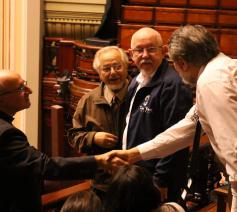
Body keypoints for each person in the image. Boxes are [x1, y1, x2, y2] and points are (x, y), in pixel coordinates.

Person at [109, 24, 237, 212]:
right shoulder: (219, 69)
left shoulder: (211, 82)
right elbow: (187, 127)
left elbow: (233, 150)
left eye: (173, 63)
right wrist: (133, 154)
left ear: (182, 63)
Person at [0, 70, 126, 212]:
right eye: (21, 88)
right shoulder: (6, 134)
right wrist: (98, 161)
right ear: (2, 99)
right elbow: (43, 166)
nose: (30, 90)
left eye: (26, 84)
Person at [122, 27, 193, 202]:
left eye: (151, 49)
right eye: (139, 50)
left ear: (164, 51)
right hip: (135, 172)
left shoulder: (173, 85)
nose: (145, 55)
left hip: (157, 178)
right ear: (131, 54)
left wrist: (160, 180)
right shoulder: (136, 81)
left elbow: (174, 137)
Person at [67, 46, 129, 197]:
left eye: (117, 66)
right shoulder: (88, 100)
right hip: (102, 183)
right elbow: (73, 136)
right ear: (99, 73)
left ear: (127, 67)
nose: (113, 72)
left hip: (135, 181)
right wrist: (93, 138)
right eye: (106, 68)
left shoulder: (139, 96)